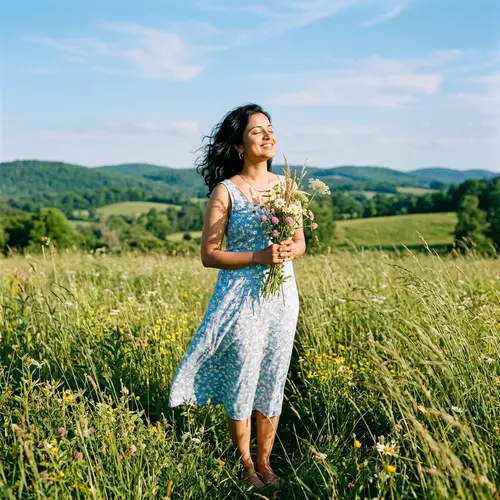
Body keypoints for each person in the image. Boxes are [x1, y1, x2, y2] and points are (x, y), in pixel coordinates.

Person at [168, 103, 305, 489]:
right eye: (256, 130)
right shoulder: (226, 191)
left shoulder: (288, 187)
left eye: (270, 128)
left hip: (282, 296)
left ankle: (266, 462)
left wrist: (286, 250)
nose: (267, 134)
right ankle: (245, 463)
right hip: (240, 297)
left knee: (273, 375)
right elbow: (209, 255)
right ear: (240, 146)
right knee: (245, 373)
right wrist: (259, 256)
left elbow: (300, 243)